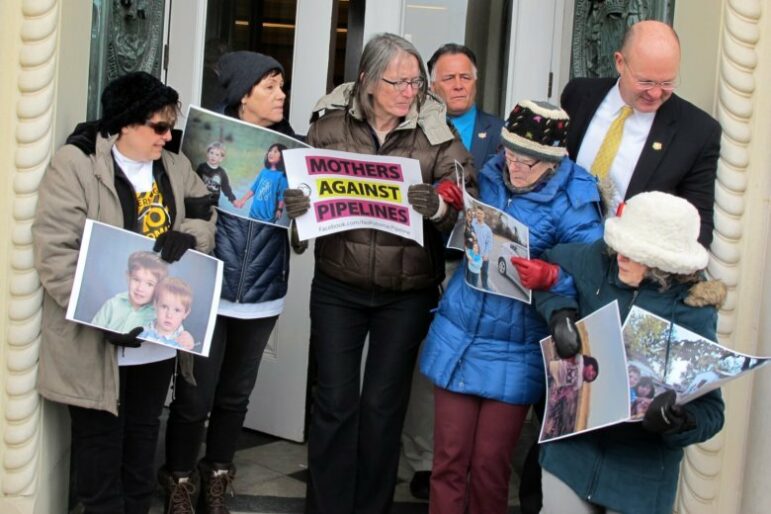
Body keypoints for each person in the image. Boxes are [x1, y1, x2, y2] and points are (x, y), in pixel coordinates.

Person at [283, 32, 473, 514]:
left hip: (406, 294)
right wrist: (298, 206)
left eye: (415, 81)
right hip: (337, 287)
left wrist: (438, 210)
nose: (410, 91)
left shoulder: (437, 131)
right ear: (367, 80)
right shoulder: (328, 124)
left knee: (383, 408)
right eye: (398, 81)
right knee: (334, 403)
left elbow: (465, 202)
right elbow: (302, 191)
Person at [32, 71, 216, 514]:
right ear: (124, 124)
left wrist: (189, 236)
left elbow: (207, 214)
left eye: (170, 127)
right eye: (159, 127)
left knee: (140, 445)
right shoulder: (75, 165)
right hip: (95, 344)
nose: (169, 137)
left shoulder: (174, 166)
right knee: (98, 456)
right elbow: (55, 252)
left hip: (155, 341)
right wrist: (102, 315)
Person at [418, 100, 603, 514]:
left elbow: (594, 277)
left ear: (555, 162)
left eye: (529, 163)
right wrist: (449, 206)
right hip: (461, 329)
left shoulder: (576, 201)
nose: (515, 168)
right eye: (512, 155)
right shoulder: (491, 173)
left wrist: (553, 277)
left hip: (517, 345)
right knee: (447, 461)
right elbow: (466, 228)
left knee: (489, 466)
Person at [523, 191, 725, 514]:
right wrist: (559, 312)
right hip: (570, 454)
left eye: (633, 252)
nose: (620, 256)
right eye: (620, 246)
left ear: (664, 263)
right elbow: (547, 267)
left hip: (639, 481)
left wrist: (679, 421)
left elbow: (712, 413)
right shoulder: (597, 260)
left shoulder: (694, 312)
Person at [160, 51, 300, 513]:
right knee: (195, 394)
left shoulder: (296, 153)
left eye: (282, 87)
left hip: (262, 295)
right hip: (208, 286)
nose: (281, 95)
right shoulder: (198, 141)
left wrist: (303, 217)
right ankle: (178, 480)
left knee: (236, 395)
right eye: (271, 87)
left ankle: (217, 474)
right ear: (243, 94)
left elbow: (301, 240)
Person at [561, 20, 721, 247]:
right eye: (645, 81)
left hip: (628, 267)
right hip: (559, 252)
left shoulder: (697, 132)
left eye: (667, 82)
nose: (655, 93)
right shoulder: (579, 94)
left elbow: (698, 227)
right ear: (619, 62)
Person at [427, 42, 503, 170]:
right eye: (449, 78)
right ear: (433, 87)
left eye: (465, 77)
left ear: (475, 83)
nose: (458, 86)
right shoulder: (414, 133)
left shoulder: (502, 132)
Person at [91, 251, 169, 332]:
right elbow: (93, 332)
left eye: (149, 284)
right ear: (128, 277)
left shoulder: (159, 315)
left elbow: (171, 337)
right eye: (136, 280)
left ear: (159, 286)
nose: (140, 288)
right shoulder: (112, 304)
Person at [233, 143, 288, 223]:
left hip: (268, 217)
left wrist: (279, 209)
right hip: (253, 213)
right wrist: (243, 200)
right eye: (270, 151)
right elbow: (254, 188)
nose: (271, 153)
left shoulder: (282, 176)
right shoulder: (263, 171)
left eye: (275, 151)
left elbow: (281, 196)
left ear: (282, 157)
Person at [140, 276, 195, 351]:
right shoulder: (144, 328)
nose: (169, 315)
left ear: (186, 313)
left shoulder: (184, 340)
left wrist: (188, 346)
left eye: (177, 310)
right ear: (155, 305)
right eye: (164, 307)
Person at [196, 141, 236, 205]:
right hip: (200, 199)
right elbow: (195, 181)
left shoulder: (222, 172)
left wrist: (233, 199)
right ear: (207, 154)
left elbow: (226, 187)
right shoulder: (202, 167)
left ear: (221, 158)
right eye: (211, 153)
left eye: (217, 155)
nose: (213, 156)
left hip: (213, 202)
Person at [471, 207, 493, 289]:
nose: (478, 215)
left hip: (483, 255)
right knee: (474, 273)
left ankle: (485, 286)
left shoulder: (488, 229)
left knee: (484, 272)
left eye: (480, 213)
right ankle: (473, 287)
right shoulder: (472, 223)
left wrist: (486, 254)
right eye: (477, 213)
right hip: (474, 254)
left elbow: (489, 242)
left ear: (484, 215)